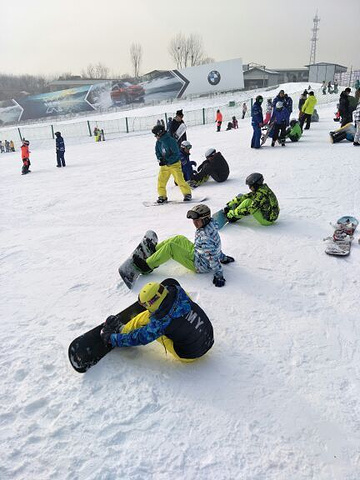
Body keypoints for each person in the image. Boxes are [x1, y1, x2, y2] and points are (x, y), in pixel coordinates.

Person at [100, 278, 214, 362]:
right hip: (209, 336)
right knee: (174, 315)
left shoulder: (161, 323)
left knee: (148, 319)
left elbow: (140, 338)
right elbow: (171, 282)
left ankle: (123, 330)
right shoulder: (178, 291)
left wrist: (112, 339)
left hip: (189, 354)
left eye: (144, 304)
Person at [132, 204, 234, 288]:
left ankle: (147, 266)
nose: (194, 223)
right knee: (179, 238)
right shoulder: (209, 225)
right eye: (194, 220)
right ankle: (156, 251)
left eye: (197, 220)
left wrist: (219, 275)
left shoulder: (206, 238)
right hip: (197, 252)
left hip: (199, 264)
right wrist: (223, 258)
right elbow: (216, 247)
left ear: (205, 219)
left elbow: (212, 257)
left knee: (171, 247)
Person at [151, 124, 192, 203]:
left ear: (160, 133)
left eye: (156, 134)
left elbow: (176, 154)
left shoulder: (170, 140)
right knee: (161, 181)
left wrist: (168, 160)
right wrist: (160, 159)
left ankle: (187, 194)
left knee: (179, 180)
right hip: (164, 166)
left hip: (174, 164)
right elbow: (157, 152)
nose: (155, 136)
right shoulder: (158, 142)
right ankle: (162, 196)